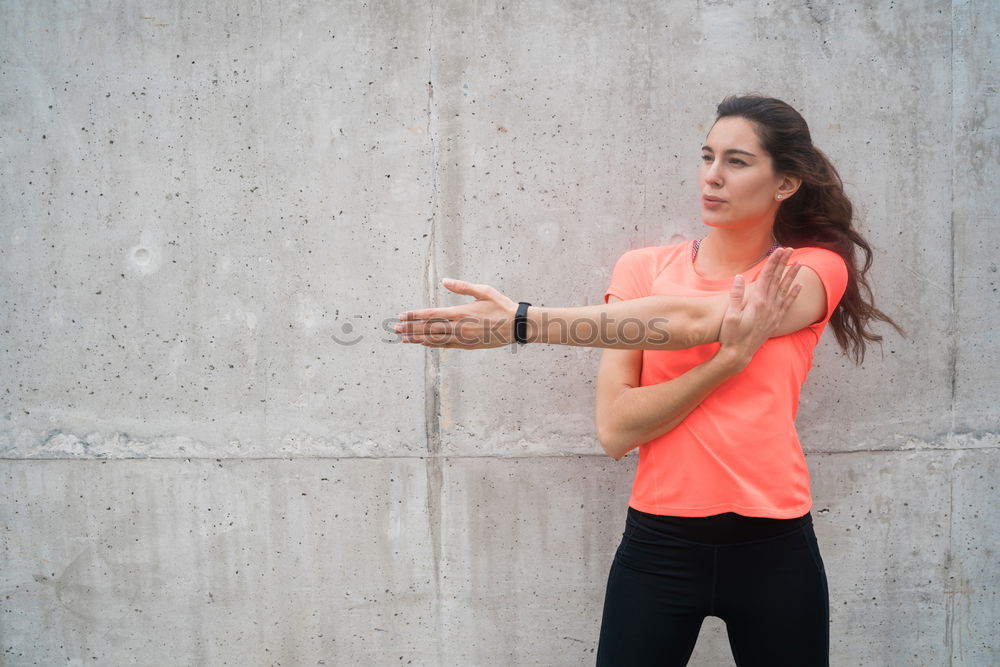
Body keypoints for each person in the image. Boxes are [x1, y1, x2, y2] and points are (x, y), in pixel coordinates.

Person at [394, 94, 901, 666]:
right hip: (660, 547)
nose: (712, 177)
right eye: (707, 156)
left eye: (737, 162)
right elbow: (615, 430)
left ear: (784, 184)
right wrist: (722, 366)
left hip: (775, 548)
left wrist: (522, 322)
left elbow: (686, 322)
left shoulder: (809, 269)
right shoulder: (642, 269)